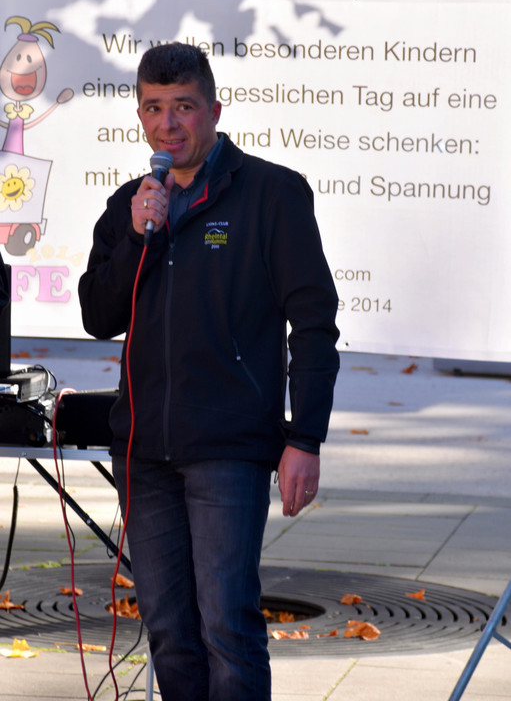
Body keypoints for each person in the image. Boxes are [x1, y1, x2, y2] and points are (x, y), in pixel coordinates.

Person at [78, 42, 339, 701]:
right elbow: (97, 316)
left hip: (229, 446)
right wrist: (135, 235)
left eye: (183, 107)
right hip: (144, 452)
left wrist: (305, 438)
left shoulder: (271, 194)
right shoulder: (130, 204)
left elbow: (313, 324)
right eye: (153, 108)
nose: (167, 124)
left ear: (214, 111)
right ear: (140, 115)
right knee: (169, 631)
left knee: (227, 625)